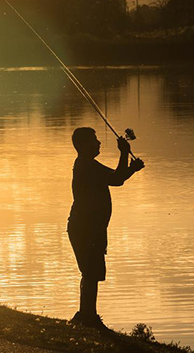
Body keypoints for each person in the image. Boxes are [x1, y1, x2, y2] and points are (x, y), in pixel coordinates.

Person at [67, 127, 144, 329]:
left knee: (91, 273)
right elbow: (116, 179)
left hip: (89, 228)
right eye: (95, 140)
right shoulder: (87, 166)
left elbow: (115, 178)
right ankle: (88, 317)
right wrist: (124, 153)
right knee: (91, 273)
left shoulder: (87, 165)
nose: (99, 143)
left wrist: (131, 169)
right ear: (84, 145)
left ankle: (86, 315)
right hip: (86, 228)